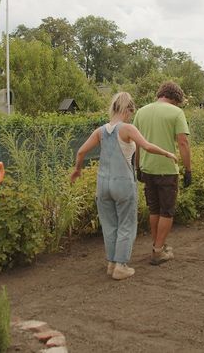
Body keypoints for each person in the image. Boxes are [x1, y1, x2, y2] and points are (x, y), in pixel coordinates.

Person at [70, 92, 177, 280]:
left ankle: (111, 263)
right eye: (131, 111)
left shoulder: (100, 131)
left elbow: (80, 152)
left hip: (103, 185)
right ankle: (121, 266)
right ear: (127, 109)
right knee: (126, 224)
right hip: (123, 184)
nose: (130, 115)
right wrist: (168, 153)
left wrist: (77, 170)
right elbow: (147, 146)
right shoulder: (127, 129)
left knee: (110, 225)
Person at [133, 81, 191, 265]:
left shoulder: (141, 112)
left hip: (147, 168)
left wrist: (137, 167)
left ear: (160, 94)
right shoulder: (176, 112)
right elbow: (183, 143)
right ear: (174, 98)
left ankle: (158, 245)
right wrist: (188, 169)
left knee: (154, 209)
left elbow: (137, 144)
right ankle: (158, 252)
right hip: (167, 169)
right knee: (167, 211)